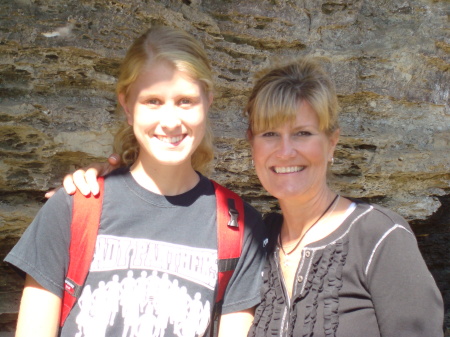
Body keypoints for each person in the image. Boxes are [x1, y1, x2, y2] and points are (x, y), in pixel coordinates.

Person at [60, 57, 445, 336]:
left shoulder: (379, 237)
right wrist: (110, 181)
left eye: (303, 133)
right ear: (252, 145)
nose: (286, 150)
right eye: (269, 134)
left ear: (332, 143)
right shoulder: (253, 236)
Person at [4, 25, 267, 337]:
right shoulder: (75, 206)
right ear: (127, 106)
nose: (170, 122)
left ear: (208, 102)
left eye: (185, 101)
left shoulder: (239, 227)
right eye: (152, 101)